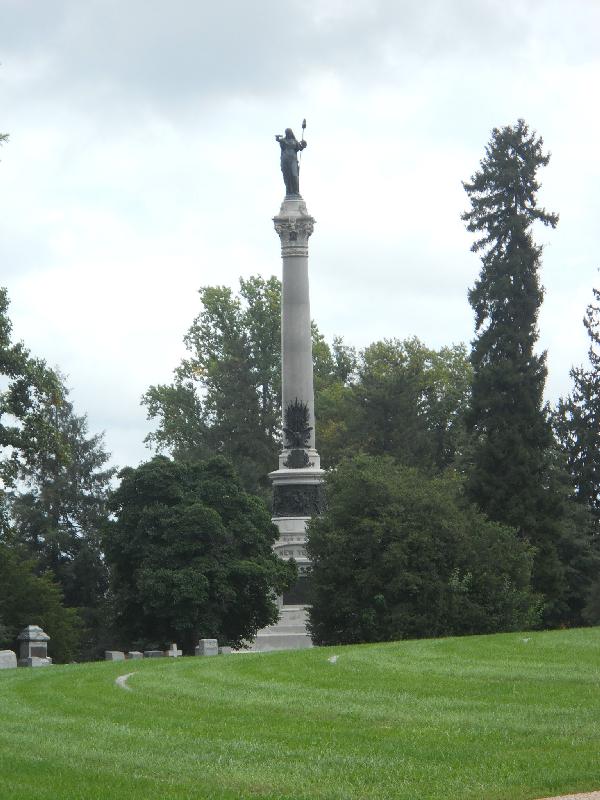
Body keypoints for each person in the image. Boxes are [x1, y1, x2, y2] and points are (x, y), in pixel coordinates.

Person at [275, 128, 306, 195]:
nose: (288, 134)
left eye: (289, 132)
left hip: (293, 160)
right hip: (285, 160)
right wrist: (277, 137)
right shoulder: (283, 140)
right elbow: (278, 140)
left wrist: (303, 144)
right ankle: (289, 191)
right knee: (287, 176)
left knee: (294, 175)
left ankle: (296, 191)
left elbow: (300, 148)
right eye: (286, 132)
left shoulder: (294, 141)